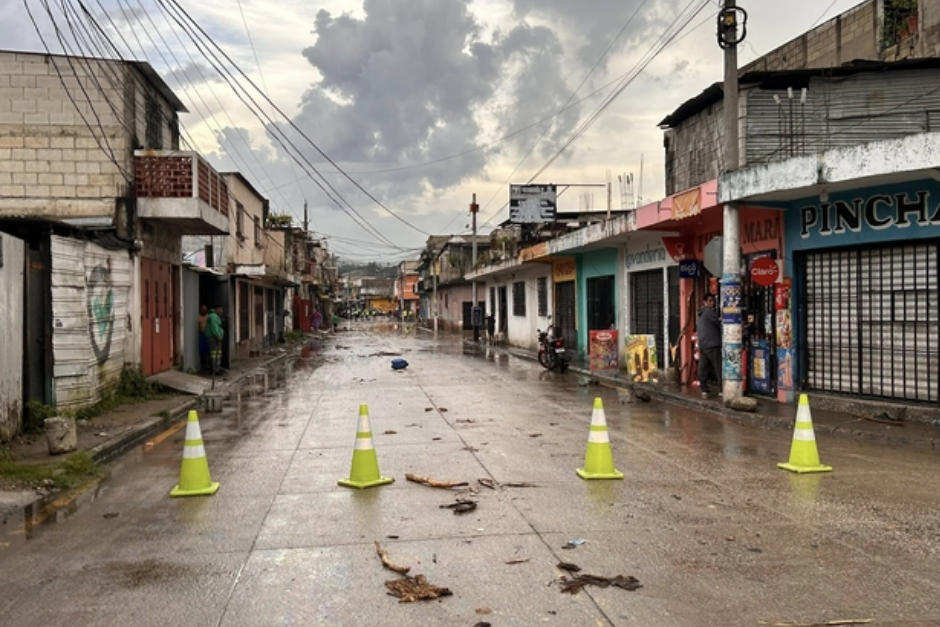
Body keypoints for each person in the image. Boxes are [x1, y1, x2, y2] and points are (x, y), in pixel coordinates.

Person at [696, 292, 721, 398]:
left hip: (703, 344)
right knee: (718, 367)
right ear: (705, 302)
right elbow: (719, 324)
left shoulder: (701, 313)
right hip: (712, 343)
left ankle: (704, 389)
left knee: (703, 366)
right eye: (710, 301)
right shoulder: (709, 312)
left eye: (713, 301)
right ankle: (722, 389)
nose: (712, 303)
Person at [206, 305, 225, 375]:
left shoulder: (216, 316)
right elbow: (214, 327)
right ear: (216, 309)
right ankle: (214, 370)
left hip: (216, 337)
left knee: (218, 353)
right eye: (220, 309)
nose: (221, 311)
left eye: (222, 309)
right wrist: (218, 336)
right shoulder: (213, 316)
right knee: (214, 354)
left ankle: (216, 369)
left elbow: (218, 327)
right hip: (213, 338)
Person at [197, 305, 209, 373]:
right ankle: (202, 365)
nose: (203, 310)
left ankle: (207, 365)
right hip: (201, 335)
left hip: (207, 335)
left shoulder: (208, 317)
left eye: (205, 309)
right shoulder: (199, 317)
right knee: (201, 351)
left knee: (207, 351)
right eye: (202, 309)